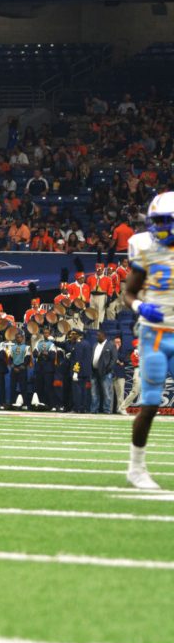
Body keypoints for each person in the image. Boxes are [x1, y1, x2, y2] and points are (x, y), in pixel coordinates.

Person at [121, 192, 174, 489]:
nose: (160, 229)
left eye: (167, 222)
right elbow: (127, 293)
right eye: (157, 222)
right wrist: (141, 307)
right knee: (151, 402)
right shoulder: (145, 248)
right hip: (154, 334)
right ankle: (136, 468)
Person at [91, 329, 117, 415]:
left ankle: (107, 410)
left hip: (105, 372)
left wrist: (108, 369)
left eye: (99, 335)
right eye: (97, 335)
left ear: (103, 335)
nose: (97, 337)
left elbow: (113, 359)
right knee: (94, 392)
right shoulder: (95, 345)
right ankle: (94, 409)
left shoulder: (111, 345)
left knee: (106, 392)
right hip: (94, 371)